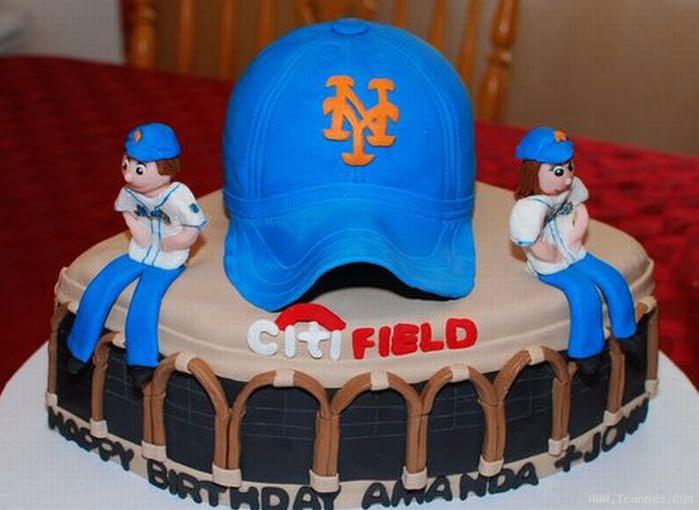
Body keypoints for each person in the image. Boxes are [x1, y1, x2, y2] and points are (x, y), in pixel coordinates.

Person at [65, 122, 206, 387]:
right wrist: (135, 227)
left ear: (165, 168)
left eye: (139, 169)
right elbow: (126, 210)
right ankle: (78, 348)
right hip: (138, 252)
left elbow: (194, 227)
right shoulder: (129, 192)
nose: (128, 176)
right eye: (125, 164)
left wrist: (178, 241)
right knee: (101, 285)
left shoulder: (179, 196)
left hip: (168, 261)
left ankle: (141, 362)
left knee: (145, 300)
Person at [509, 127, 636, 375]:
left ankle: (627, 332)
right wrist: (550, 255)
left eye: (569, 167)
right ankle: (587, 352)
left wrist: (578, 232)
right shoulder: (528, 208)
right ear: (533, 172)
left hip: (575, 252)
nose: (567, 177)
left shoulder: (571, 187)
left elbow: (580, 208)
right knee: (583, 293)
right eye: (558, 171)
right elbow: (528, 241)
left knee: (612, 278)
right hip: (551, 266)